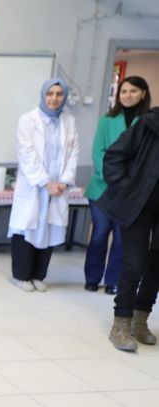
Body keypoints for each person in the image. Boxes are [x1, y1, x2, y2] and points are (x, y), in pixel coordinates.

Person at [7, 79, 79, 292]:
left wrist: (64, 181)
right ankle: (21, 275)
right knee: (27, 228)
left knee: (49, 229)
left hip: (58, 188)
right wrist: (46, 182)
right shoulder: (28, 120)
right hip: (35, 186)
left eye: (59, 94)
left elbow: (73, 152)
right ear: (43, 95)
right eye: (50, 93)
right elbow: (26, 153)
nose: (54, 98)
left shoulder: (69, 121)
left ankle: (39, 275)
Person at [97, 106, 159, 352]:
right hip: (138, 205)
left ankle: (140, 319)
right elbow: (113, 156)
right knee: (134, 264)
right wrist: (125, 187)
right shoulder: (147, 124)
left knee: (157, 264)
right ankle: (121, 323)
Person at [84, 76, 152, 295]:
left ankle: (113, 280)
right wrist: (114, 179)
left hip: (131, 191)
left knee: (123, 238)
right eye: (123, 91)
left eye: (133, 91)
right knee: (100, 233)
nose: (128, 95)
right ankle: (92, 277)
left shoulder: (148, 122)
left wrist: (129, 185)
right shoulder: (107, 120)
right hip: (102, 187)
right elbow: (98, 152)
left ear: (143, 94)